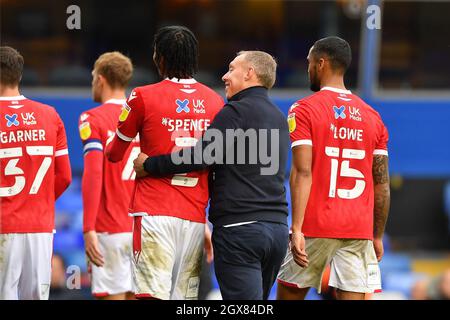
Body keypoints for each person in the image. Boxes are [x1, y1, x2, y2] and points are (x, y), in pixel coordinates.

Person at [133, 50, 290, 300]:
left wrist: (150, 164)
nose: (225, 76)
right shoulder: (280, 118)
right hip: (277, 231)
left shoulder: (234, 112)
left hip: (240, 230)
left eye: (232, 69)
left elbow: (201, 156)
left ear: (250, 73)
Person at [106, 26, 223, 300]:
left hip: (153, 214)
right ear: (193, 58)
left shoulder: (142, 96)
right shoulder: (215, 102)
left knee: (150, 296)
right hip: (194, 218)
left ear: (159, 58)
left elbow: (114, 154)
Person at [276, 36, 390, 300]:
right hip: (358, 229)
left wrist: (297, 228)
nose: (307, 69)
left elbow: (302, 172)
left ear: (321, 63)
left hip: (316, 225)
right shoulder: (373, 117)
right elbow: (381, 184)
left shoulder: (303, 110)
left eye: (309, 63)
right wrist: (377, 235)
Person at [0, 46, 72, 300]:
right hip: (39, 227)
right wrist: (36, 202)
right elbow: (64, 177)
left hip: (3, 225)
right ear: (19, 76)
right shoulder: (49, 115)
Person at [78, 52, 137, 300]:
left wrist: (88, 226)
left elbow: (93, 174)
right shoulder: (142, 117)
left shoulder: (92, 118)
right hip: (142, 229)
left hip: (109, 228)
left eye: (93, 77)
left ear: (100, 80)